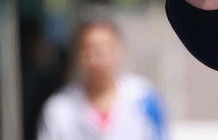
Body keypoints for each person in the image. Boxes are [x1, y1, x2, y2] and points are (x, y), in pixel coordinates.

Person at [37, 18, 165, 140]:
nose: (95, 60)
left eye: (102, 50)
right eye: (88, 50)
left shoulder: (144, 99)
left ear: (118, 50)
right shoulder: (59, 109)